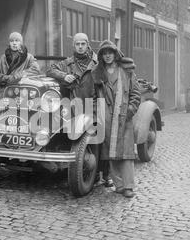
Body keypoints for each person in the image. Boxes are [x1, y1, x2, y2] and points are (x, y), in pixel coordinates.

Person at [91, 40, 141, 198]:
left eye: (110, 53)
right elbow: (92, 96)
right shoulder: (97, 74)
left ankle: (128, 186)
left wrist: (130, 110)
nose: (107, 56)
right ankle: (118, 185)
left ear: (115, 54)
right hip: (105, 116)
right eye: (104, 53)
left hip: (123, 116)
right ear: (101, 56)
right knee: (110, 152)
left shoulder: (126, 71)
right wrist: (96, 112)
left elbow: (135, 94)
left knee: (126, 153)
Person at [46, 33, 97, 101]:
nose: (80, 46)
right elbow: (50, 70)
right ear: (74, 45)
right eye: (77, 44)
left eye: (83, 44)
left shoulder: (97, 62)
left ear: (87, 44)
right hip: (75, 105)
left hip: (93, 104)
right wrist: (64, 76)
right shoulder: (67, 63)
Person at [0, 32, 40, 99]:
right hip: (4, 93)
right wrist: (6, 78)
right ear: (9, 43)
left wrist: (17, 77)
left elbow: (35, 70)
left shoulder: (29, 57)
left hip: (22, 93)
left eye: (17, 40)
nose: (14, 43)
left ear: (21, 43)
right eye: (11, 41)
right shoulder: (2, 58)